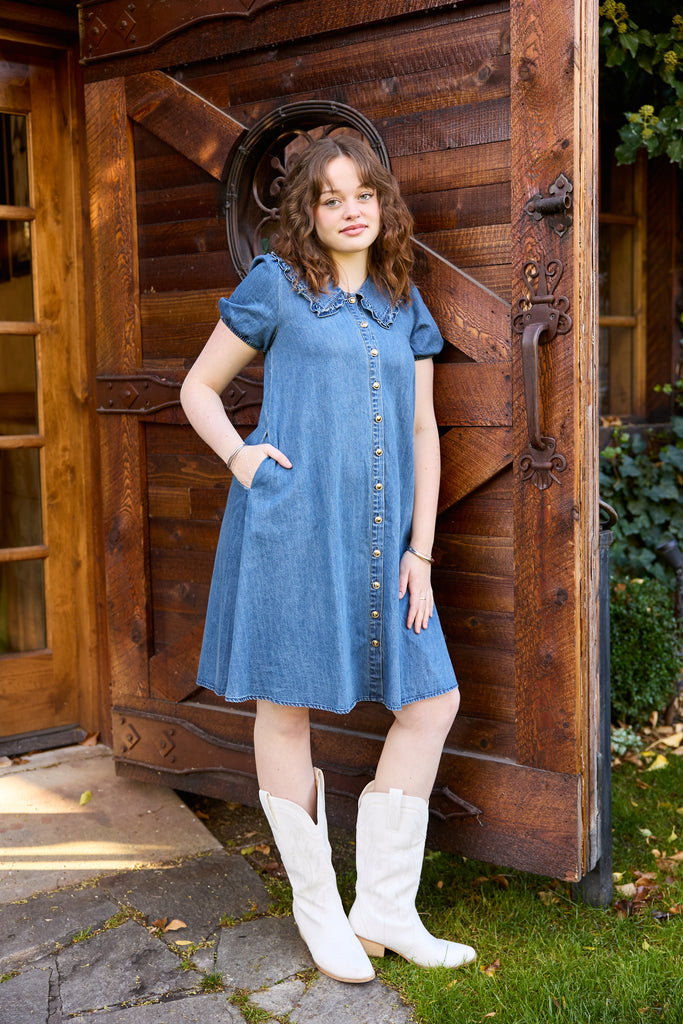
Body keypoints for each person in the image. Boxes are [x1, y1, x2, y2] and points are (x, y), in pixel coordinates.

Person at [180, 134, 476, 984]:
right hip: (291, 529)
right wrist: (241, 457)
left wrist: (422, 549)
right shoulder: (275, 286)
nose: (351, 209)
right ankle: (318, 910)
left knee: (432, 700)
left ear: (381, 206)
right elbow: (198, 387)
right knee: (286, 708)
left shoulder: (400, 298)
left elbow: (423, 431)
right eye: (330, 197)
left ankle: (383, 907)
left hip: (388, 543)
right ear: (307, 214)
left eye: (364, 194)